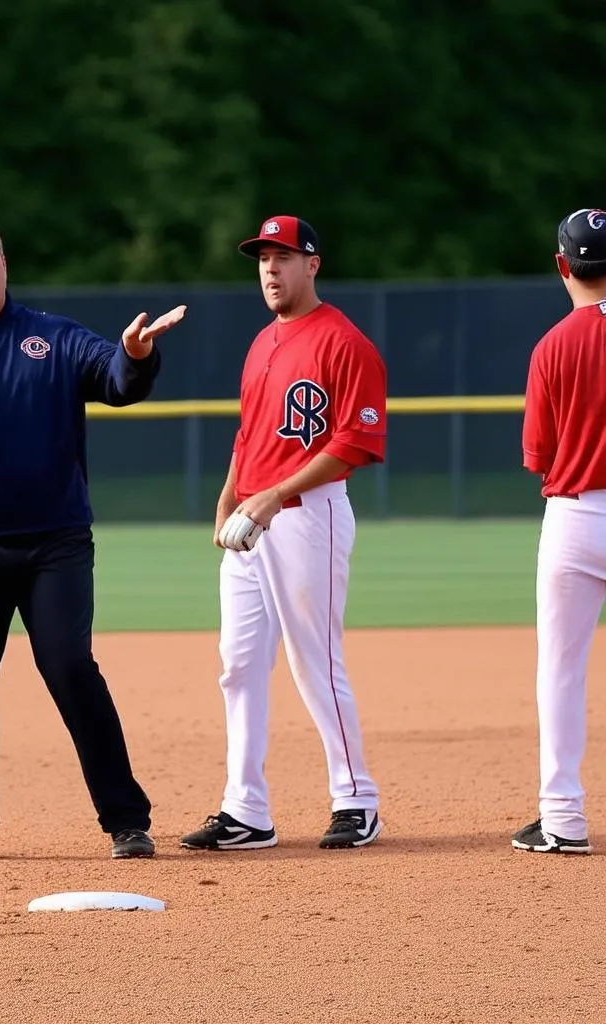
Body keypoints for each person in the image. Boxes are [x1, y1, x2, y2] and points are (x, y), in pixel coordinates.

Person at [0, 216, 186, 861]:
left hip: (54, 541)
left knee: (69, 667)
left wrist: (136, 355)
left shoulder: (51, 337)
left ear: (6, 262)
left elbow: (115, 379)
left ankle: (126, 820)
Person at [179, 215, 387, 853]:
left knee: (314, 660)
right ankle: (246, 810)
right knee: (237, 666)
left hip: (308, 516)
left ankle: (356, 799)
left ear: (312, 264)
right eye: (263, 257)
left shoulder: (344, 342)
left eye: (284, 256)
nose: (271, 268)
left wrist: (271, 496)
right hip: (251, 523)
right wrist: (229, 496)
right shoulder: (262, 342)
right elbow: (250, 434)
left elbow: (356, 441)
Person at [511, 208, 606, 856]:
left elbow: (539, 454)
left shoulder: (552, 345)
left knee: (561, 671)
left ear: (562, 265)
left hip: (575, 513)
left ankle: (563, 819)